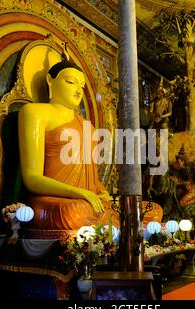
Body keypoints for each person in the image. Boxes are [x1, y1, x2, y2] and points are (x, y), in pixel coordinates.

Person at [18, 53, 162, 231]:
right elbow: (32, 178)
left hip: (89, 202)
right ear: (50, 80)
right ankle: (118, 227)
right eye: (71, 82)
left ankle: (115, 225)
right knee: (72, 213)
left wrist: (102, 193)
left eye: (82, 86)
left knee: (153, 211)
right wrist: (76, 192)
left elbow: (90, 177)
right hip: (55, 202)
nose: (78, 90)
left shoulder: (88, 126)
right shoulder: (35, 112)